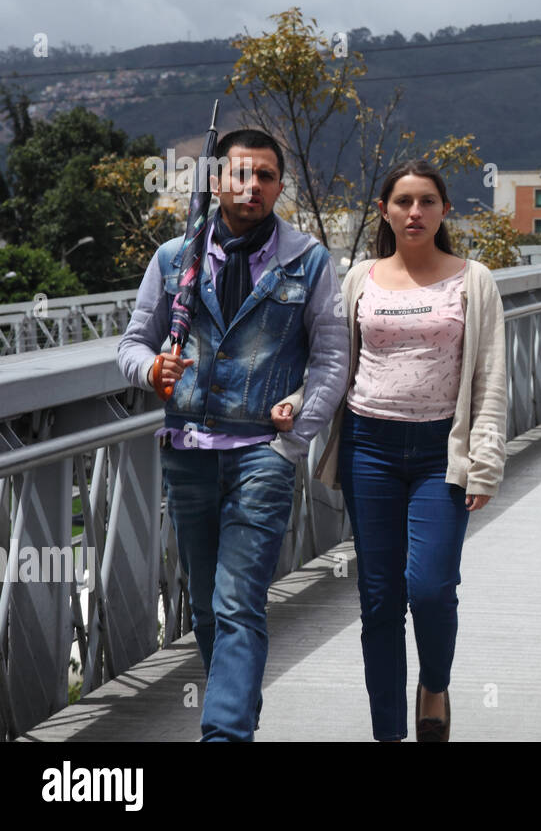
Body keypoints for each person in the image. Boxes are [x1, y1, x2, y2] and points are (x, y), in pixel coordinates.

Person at [116, 128, 349, 741]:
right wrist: (150, 369)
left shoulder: (309, 260)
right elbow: (132, 343)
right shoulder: (173, 259)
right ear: (216, 179)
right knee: (206, 610)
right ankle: (236, 712)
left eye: (266, 176)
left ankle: (223, 735)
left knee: (238, 603)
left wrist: (293, 439)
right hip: (188, 452)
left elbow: (331, 358)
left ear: (280, 185)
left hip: (261, 455)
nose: (251, 187)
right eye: (239, 174)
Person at [277, 158, 508, 743]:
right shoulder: (358, 278)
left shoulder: (474, 280)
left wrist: (484, 461)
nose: (415, 212)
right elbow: (332, 359)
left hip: (440, 452)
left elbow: (490, 377)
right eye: (403, 201)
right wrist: (298, 401)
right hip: (368, 448)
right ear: (384, 210)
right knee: (379, 599)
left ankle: (434, 684)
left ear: (444, 211)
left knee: (430, 587)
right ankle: (388, 732)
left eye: (427, 201)